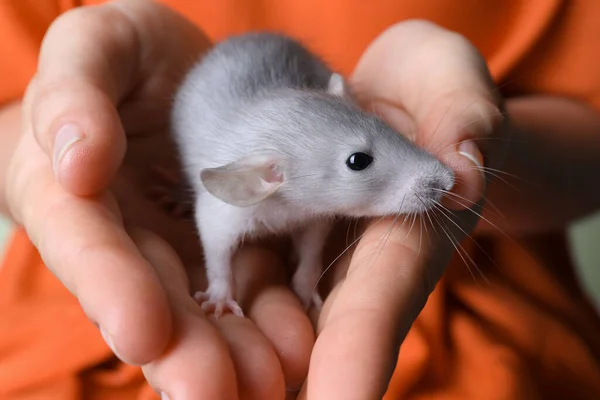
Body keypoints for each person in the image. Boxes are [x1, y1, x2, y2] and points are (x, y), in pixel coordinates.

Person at [1, 0, 599, 398]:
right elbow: (218, 224)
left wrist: (488, 149)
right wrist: (221, 287)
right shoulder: (242, 185)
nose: (431, 178)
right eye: (362, 164)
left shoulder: (313, 155)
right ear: (265, 180)